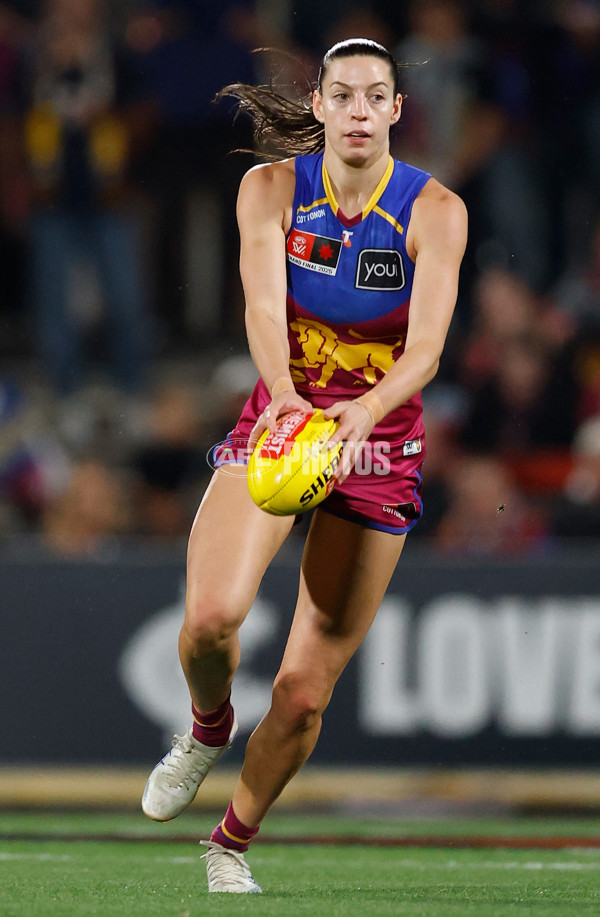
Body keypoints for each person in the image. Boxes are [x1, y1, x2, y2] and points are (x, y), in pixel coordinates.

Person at [142, 38, 467, 893]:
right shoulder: (270, 189)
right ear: (318, 105)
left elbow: (427, 350)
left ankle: (228, 844)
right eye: (343, 94)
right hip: (283, 422)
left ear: (396, 110)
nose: (359, 110)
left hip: (379, 443)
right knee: (210, 622)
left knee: (301, 694)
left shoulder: (436, 210)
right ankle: (207, 727)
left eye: (376, 96)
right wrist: (286, 395)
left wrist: (364, 411)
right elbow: (260, 305)